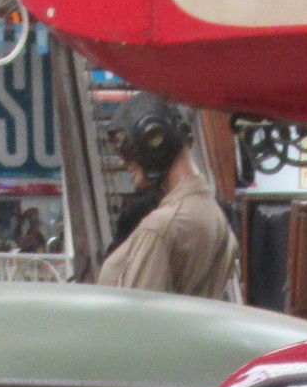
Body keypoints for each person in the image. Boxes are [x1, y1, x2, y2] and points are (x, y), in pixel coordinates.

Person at [96, 95, 236, 299]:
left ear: (152, 143)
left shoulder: (162, 226)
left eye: (127, 151)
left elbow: (138, 314)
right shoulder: (215, 216)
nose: (122, 162)